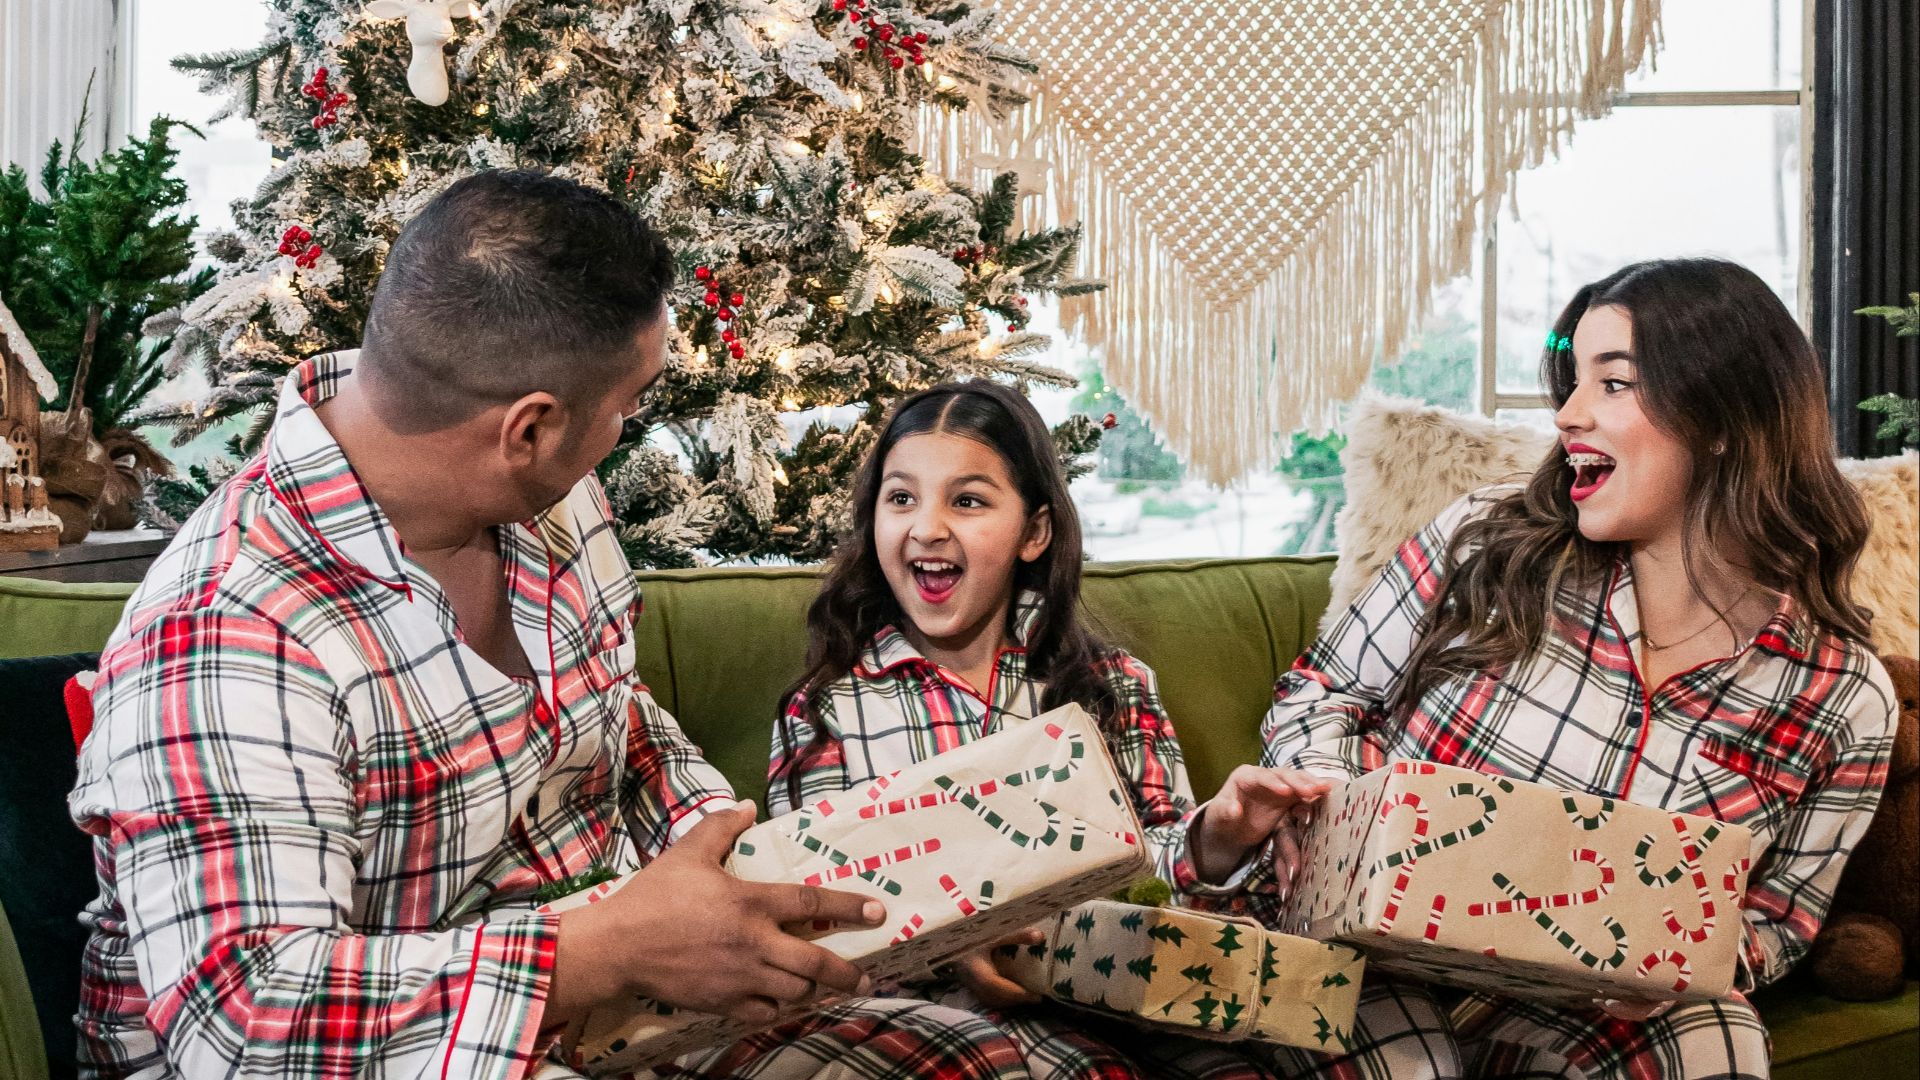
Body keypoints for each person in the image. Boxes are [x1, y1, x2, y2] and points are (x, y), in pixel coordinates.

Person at [69, 171, 1030, 1080]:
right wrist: (598, 951)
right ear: (527, 428)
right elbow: (242, 1027)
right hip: (379, 1052)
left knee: (977, 1058)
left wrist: (729, 863)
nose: (627, 429)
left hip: (602, 999)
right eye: (628, 407)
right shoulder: (230, 629)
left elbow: (616, 710)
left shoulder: (551, 501)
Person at [1218, 257, 1898, 1079]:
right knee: (1411, 1065)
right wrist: (1333, 816)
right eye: (1572, 382)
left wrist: (1683, 962)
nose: (1570, 415)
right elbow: (1319, 693)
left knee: (1717, 1035)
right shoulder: (1486, 540)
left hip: (1575, 1006)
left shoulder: (1844, 696)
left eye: (1613, 384)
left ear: (1724, 416)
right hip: (1364, 954)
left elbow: (1779, 920)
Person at [765, 380, 1317, 1080]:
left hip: (1117, 995)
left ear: (1034, 532)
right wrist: (956, 946)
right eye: (901, 498)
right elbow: (826, 923)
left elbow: (1155, 883)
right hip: (940, 1023)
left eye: (967, 500)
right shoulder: (829, 709)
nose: (927, 527)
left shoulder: (1112, 684)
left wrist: (1219, 836)